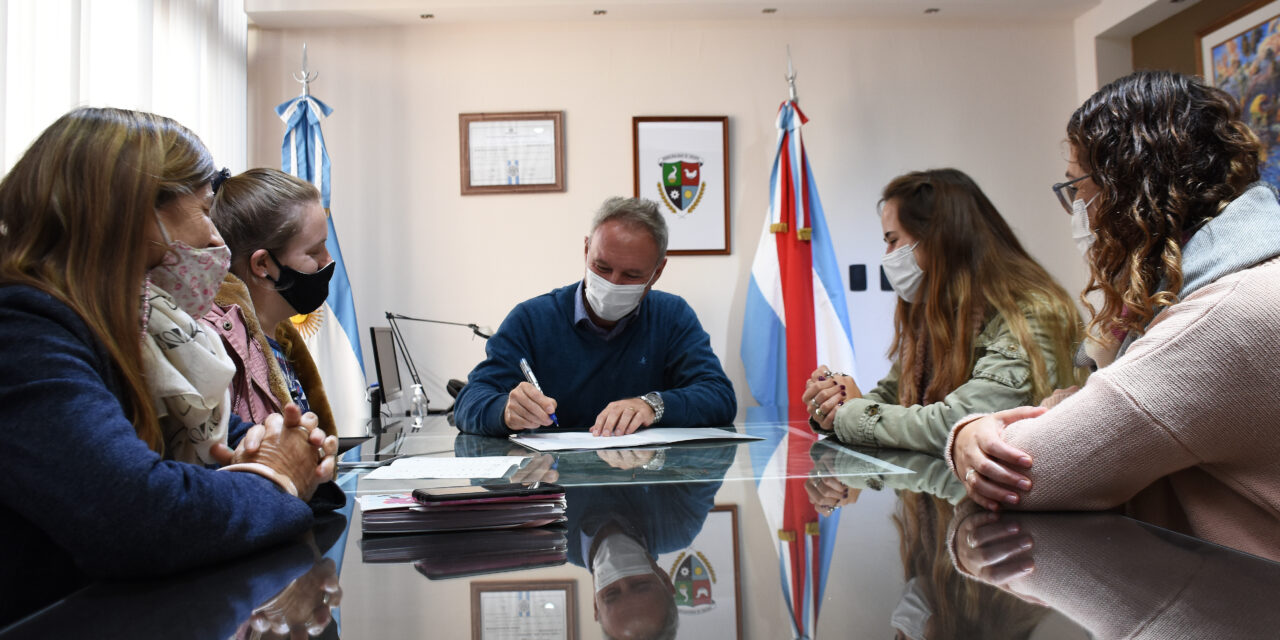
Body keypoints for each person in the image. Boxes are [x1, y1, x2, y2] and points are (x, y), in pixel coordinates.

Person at [0, 107, 337, 625]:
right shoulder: (22, 328)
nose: (213, 237)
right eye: (203, 209)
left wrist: (287, 445)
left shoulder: (139, 328)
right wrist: (279, 478)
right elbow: (138, 517)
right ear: (127, 214)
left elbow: (229, 436)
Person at [949, 70, 1280, 562]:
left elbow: (1035, 473)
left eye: (1077, 185)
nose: (1076, 207)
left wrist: (969, 433)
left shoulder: (1217, 318)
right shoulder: (1245, 275)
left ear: (1130, 188)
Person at [801, 169, 1083, 455]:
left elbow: (959, 423)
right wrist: (834, 403)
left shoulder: (1031, 313)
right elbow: (893, 397)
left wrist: (850, 413)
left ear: (938, 239)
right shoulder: (936, 314)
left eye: (892, 240)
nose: (887, 255)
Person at [452, 196, 736, 437]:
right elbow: (470, 401)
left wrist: (653, 405)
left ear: (657, 272)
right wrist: (505, 411)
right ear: (587, 249)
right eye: (601, 267)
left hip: (643, 488)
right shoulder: (532, 319)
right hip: (555, 488)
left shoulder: (672, 317)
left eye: (631, 275)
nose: (612, 283)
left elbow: (719, 396)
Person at [202, 168, 337, 435]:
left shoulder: (282, 342)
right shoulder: (217, 346)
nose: (328, 260)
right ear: (263, 264)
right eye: (314, 251)